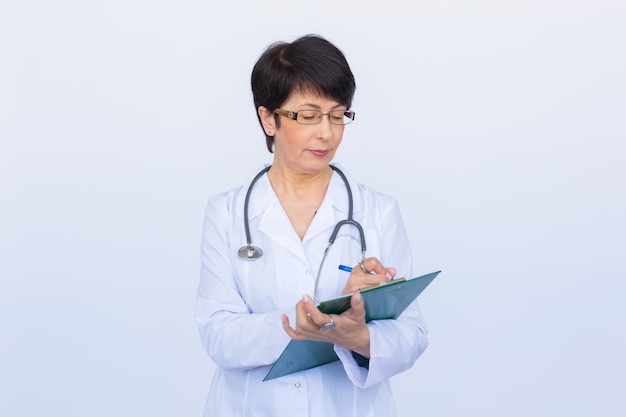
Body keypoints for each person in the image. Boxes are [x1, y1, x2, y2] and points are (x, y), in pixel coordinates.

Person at [195, 34, 429, 417]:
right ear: (268, 118)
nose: (327, 132)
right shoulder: (226, 213)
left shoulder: (378, 212)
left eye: (338, 115)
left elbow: (411, 335)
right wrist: (316, 323)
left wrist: (361, 336)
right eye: (308, 116)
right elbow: (219, 335)